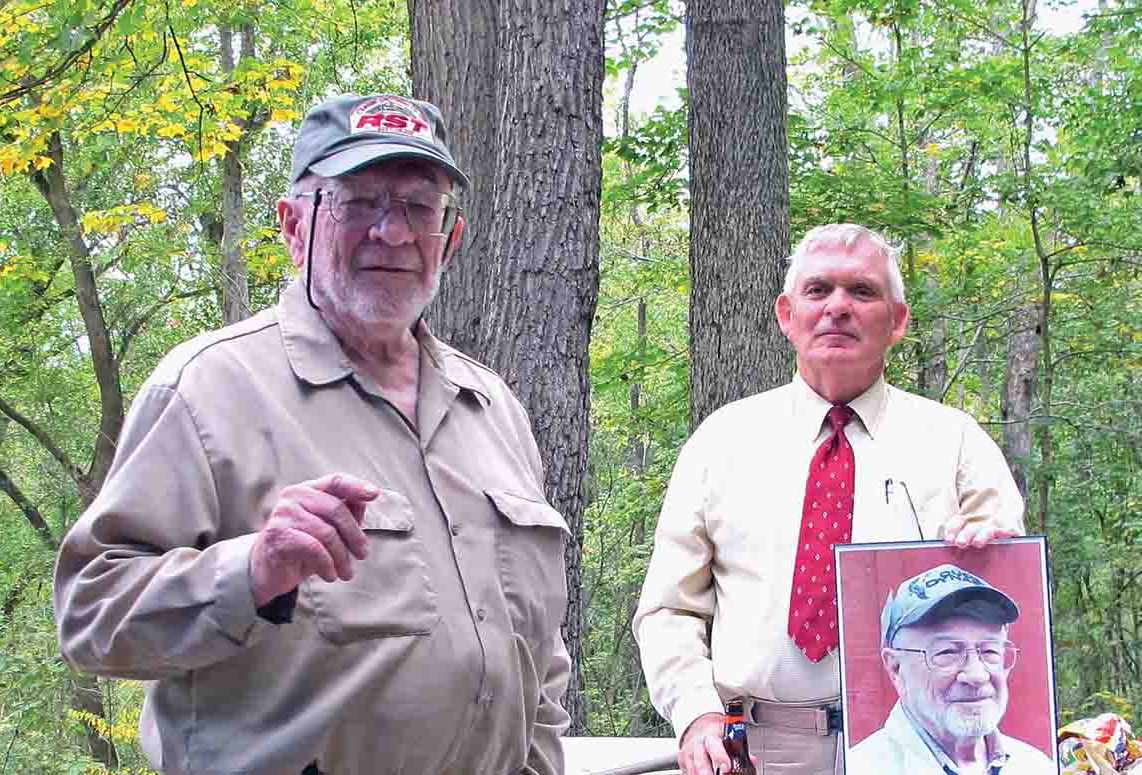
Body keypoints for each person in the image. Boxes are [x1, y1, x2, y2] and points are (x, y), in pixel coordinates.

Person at [53, 93, 572, 775]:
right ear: (295, 226)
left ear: (449, 237)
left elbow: (538, 666)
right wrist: (252, 571)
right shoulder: (209, 390)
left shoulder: (493, 408)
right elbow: (90, 612)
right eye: (358, 202)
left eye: (418, 207)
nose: (391, 232)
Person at [632, 224, 1027, 775]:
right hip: (757, 751)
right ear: (786, 315)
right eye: (818, 291)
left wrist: (995, 550)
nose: (837, 307)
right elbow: (669, 608)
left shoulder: (956, 442)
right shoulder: (722, 442)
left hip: (916, 749)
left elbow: (1006, 571)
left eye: (862, 292)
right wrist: (694, 713)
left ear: (898, 320)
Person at [847, 563, 1057, 773]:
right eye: (947, 652)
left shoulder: (1036, 766)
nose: (977, 675)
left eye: (990, 651)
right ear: (896, 668)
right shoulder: (858, 768)